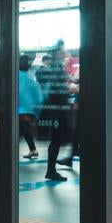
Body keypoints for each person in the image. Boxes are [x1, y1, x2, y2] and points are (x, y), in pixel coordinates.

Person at [39, 43, 78, 182]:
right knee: (58, 140)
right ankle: (51, 170)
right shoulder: (57, 70)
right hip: (58, 111)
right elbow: (60, 90)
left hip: (56, 110)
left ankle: (52, 169)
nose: (65, 51)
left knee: (58, 140)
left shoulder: (55, 69)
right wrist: (72, 88)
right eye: (63, 48)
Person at [17, 54, 42, 159]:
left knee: (22, 129)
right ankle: (32, 150)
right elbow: (38, 95)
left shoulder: (15, 75)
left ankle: (32, 150)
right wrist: (37, 111)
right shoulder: (31, 76)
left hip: (19, 107)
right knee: (24, 129)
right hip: (28, 108)